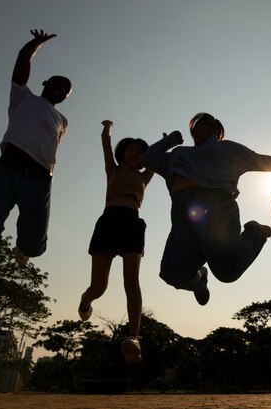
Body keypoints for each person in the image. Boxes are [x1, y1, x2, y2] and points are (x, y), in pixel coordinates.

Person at [0, 29, 72, 346]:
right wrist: (36, 44)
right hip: (6, 171)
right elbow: (22, 61)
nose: (61, 89)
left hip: (38, 181)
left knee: (35, 247)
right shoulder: (22, 97)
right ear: (45, 83)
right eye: (58, 83)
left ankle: (26, 246)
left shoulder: (62, 120)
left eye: (66, 90)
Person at [142, 112, 271, 305]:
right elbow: (148, 159)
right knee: (171, 274)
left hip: (217, 209)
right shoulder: (179, 154)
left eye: (214, 126)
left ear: (219, 135)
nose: (208, 126)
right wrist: (171, 140)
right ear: (193, 130)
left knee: (228, 272)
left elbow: (265, 161)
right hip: (183, 213)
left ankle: (256, 232)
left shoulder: (228, 150)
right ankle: (200, 282)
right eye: (202, 123)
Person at [78, 120, 153, 364]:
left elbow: (158, 159)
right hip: (109, 221)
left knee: (132, 280)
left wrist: (166, 143)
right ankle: (86, 300)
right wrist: (107, 130)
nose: (134, 153)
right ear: (123, 153)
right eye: (130, 150)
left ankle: (133, 338)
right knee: (99, 287)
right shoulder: (114, 169)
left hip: (132, 223)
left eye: (139, 152)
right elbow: (106, 149)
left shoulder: (144, 176)